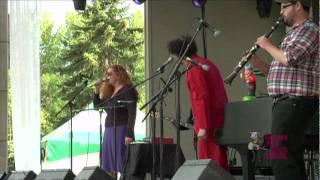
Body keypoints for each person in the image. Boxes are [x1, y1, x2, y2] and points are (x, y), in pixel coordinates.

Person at [249, 0, 319, 179]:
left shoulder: (310, 29)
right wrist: (257, 63)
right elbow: (277, 71)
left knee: (280, 156)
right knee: (287, 157)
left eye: (283, 7)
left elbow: (291, 58)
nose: (280, 12)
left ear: (297, 5)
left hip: (295, 101)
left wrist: (267, 44)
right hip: (286, 102)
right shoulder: (293, 34)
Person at [167, 36, 229, 170]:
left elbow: (201, 97)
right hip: (219, 119)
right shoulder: (207, 63)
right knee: (219, 163)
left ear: (179, 55)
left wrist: (203, 126)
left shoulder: (194, 68)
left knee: (210, 165)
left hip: (210, 123)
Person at [93, 64, 139, 177]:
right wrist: (96, 91)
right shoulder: (110, 92)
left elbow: (132, 112)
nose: (107, 77)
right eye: (106, 74)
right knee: (108, 166)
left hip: (122, 129)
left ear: (118, 75)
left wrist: (129, 133)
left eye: (110, 74)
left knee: (123, 164)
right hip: (109, 130)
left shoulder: (127, 90)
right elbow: (97, 106)